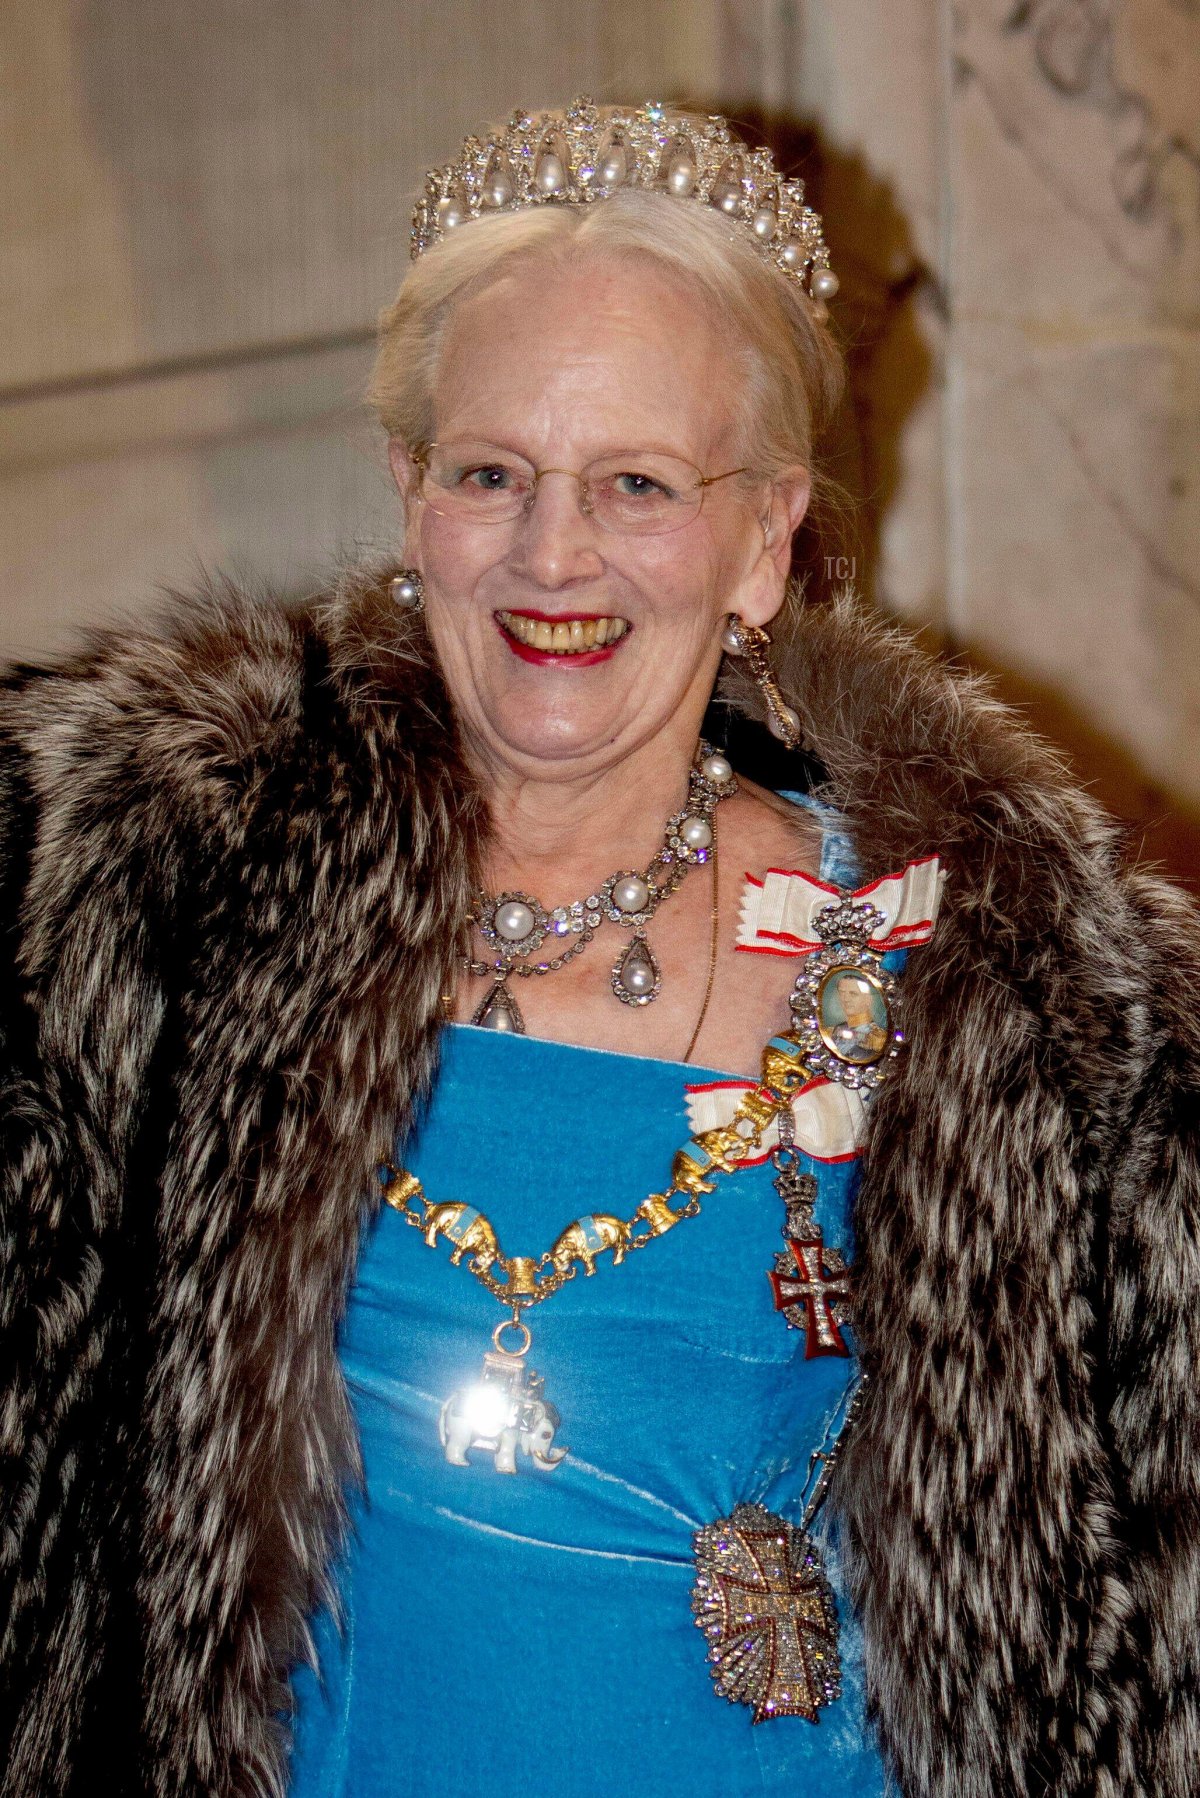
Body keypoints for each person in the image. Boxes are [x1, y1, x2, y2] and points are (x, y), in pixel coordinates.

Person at [1, 95, 1198, 1798]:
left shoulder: (974, 986)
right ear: (412, 501)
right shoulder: (161, 915)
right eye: (493, 472)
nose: (554, 555)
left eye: (639, 482)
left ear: (765, 540)